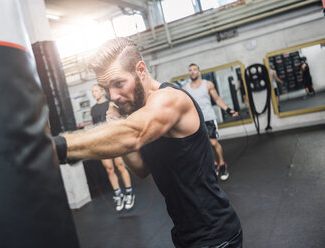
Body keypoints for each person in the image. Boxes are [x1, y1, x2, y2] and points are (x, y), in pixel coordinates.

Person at [53, 37, 242, 247]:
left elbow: (132, 135)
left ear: (141, 70)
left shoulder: (169, 99)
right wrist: (118, 124)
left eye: (118, 83)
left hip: (215, 234)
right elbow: (142, 169)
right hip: (185, 233)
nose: (112, 96)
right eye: (105, 88)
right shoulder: (140, 111)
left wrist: (56, 147)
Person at [182, 64, 238, 181]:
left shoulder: (208, 85)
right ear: (189, 73)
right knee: (203, 146)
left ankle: (222, 164)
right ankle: (213, 165)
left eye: (195, 70)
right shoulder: (185, 89)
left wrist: (228, 110)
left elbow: (217, 99)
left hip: (209, 118)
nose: (192, 72)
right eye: (190, 70)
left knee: (213, 143)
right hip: (196, 121)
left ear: (199, 72)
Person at [90, 84, 135, 211]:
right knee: (109, 169)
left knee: (120, 166)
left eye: (96, 91)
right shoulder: (92, 109)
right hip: (101, 142)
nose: (94, 93)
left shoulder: (110, 105)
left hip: (113, 139)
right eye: (92, 91)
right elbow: (95, 126)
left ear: (102, 92)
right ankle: (118, 195)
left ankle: (129, 193)